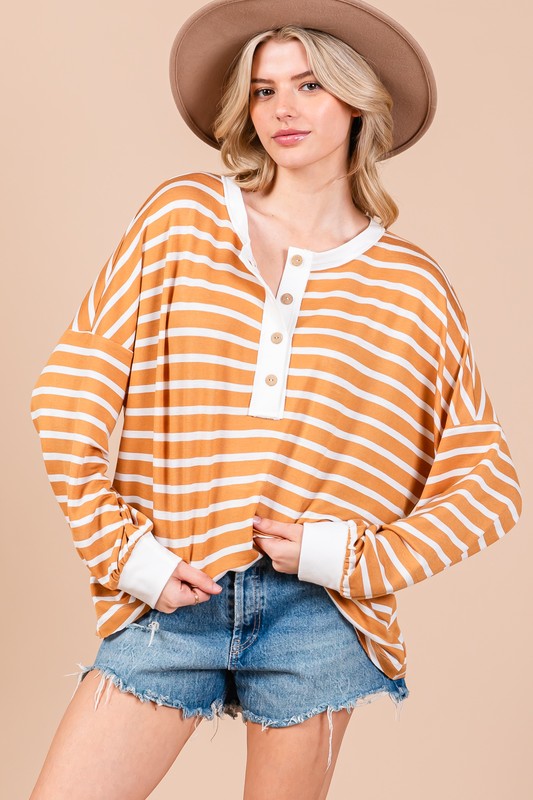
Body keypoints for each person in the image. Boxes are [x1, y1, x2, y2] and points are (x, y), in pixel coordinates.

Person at [28, 1, 522, 798]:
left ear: (357, 101)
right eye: (263, 90)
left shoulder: (411, 288)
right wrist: (126, 555)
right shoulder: (182, 217)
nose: (282, 108)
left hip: (318, 615)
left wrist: (349, 559)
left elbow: (487, 486)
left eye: (309, 85)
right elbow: (68, 393)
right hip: (173, 587)